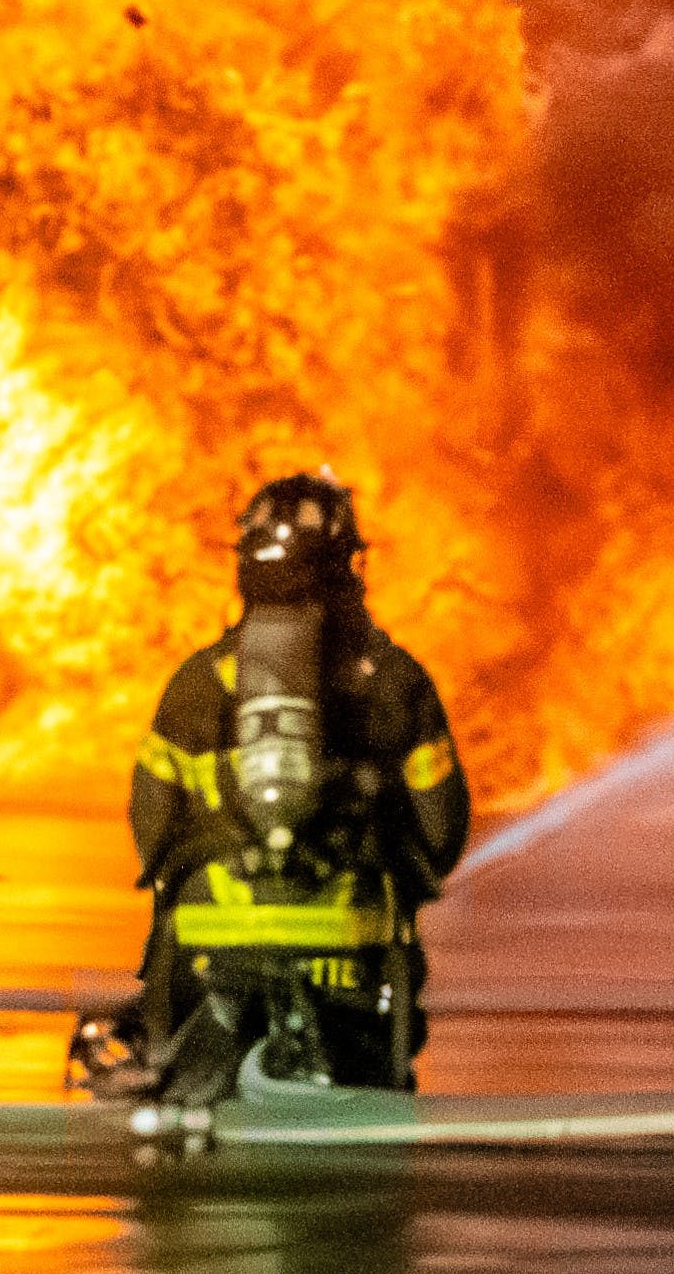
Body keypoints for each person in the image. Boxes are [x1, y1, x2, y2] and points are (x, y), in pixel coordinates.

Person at [91, 473, 472, 1107]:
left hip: (210, 943)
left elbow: (150, 822)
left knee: (171, 1092)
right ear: (349, 564)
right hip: (351, 950)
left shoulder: (199, 683)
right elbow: (442, 832)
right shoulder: (395, 681)